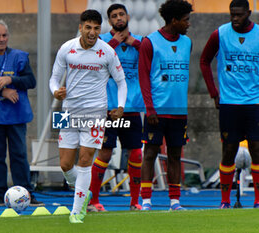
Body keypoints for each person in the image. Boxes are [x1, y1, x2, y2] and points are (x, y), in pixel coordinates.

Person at [49, 9, 127, 223]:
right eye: (88, 28)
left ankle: (77, 210)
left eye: (96, 28)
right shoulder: (67, 48)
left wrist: (120, 106)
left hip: (95, 112)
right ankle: (85, 192)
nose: (92, 32)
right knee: (65, 165)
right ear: (81, 27)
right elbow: (53, 79)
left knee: (85, 160)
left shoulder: (107, 52)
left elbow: (121, 82)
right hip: (68, 112)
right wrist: (56, 91)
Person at [0, 19, 43, 207]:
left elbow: (31, 81)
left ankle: (26, 193)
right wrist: (1, 91)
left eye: (4, 35)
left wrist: (10, 79)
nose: (1, 39)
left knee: (19, 155)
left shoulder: (20, 57)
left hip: (16, 115)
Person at [200, 0, 259, 209]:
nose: (235, 19)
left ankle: (257, 201)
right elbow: (204, 60)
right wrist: (214, 93)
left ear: (248, 13)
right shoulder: (221, 33)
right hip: (229, 104)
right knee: (229, 150)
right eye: (232, 14)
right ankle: (224, 201)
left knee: (256, 149)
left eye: (239, 15)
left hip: (254, 103)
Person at [88, 3, 144, 212]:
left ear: (128, 16)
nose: (119, 18)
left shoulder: (140, 41)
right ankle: (93, 201)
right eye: (114, 16)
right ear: (109, 21)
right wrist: (114, 43)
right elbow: (93, 63)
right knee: (104, 153)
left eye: (121, 14)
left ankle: (135, 202)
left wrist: (134, 43)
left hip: (131, 107)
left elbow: (152, 58)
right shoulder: (102, 40)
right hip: (108, 108)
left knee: (136, 154)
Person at [138, 0, 192, 211]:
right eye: (186, 20)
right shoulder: (149, 42)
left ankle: (175, 201)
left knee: (175, 155)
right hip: (156, 112)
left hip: (179, 111)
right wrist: (149, 108)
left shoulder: (187, 42)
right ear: (174, 20)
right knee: (150, 153)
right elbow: (143, 77)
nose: (189, 24)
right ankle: (146, 201)